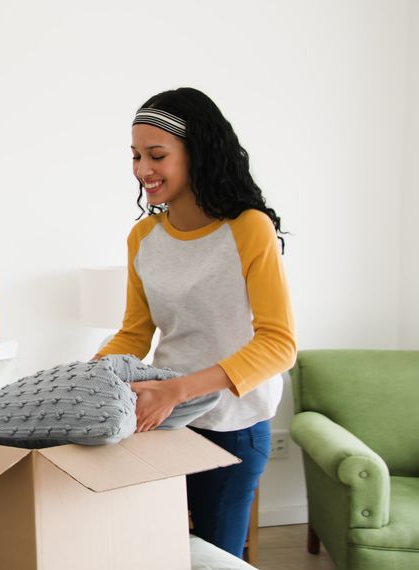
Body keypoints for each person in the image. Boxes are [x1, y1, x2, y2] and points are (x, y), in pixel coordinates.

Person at [94, 87, 296, 558]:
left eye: (157, 155)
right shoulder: (143, 237)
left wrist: (179, 390)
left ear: (197, 153)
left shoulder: (248, 228)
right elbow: (135, 332)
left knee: (213, 557)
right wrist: (91, 375)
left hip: (233, 423)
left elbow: (279, 344)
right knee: (153, 553)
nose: (144, 169)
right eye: (136, 155)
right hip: (164, 422)